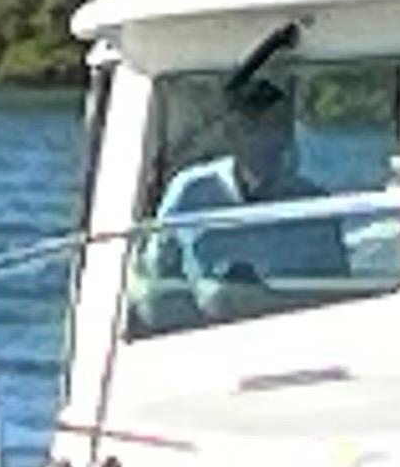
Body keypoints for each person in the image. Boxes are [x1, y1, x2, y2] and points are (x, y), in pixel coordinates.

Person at [148, 86, 352, 308]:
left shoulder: (312, 205)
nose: (267, 141)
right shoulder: (190, 190)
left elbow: (336, 293)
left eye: (276, 129)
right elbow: (155, 272)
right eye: (254, 128)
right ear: (232, 133)